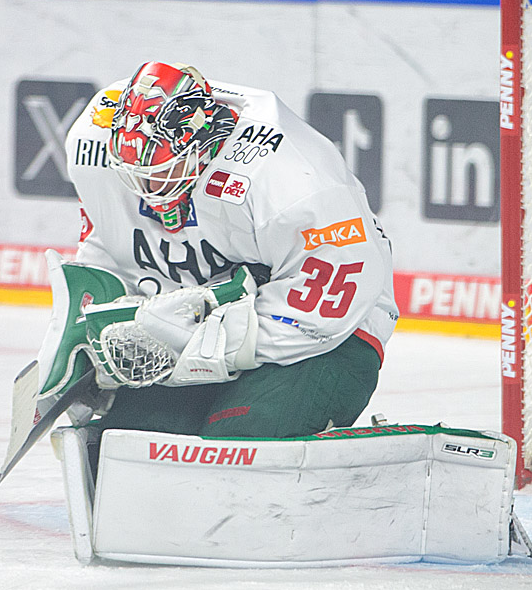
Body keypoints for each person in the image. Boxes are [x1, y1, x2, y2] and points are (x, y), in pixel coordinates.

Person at [48, 61, 398, 440]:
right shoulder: (93, 142)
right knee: (130, 441)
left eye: (162, 171)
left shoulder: (295, 181)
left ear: (204, 147)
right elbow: (110, 245)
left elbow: (329, 309)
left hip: (330, 333)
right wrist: (97, 333)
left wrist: (206, 345)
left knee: (239, 441)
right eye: (133, 173)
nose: (146, 187)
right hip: (198, 322)